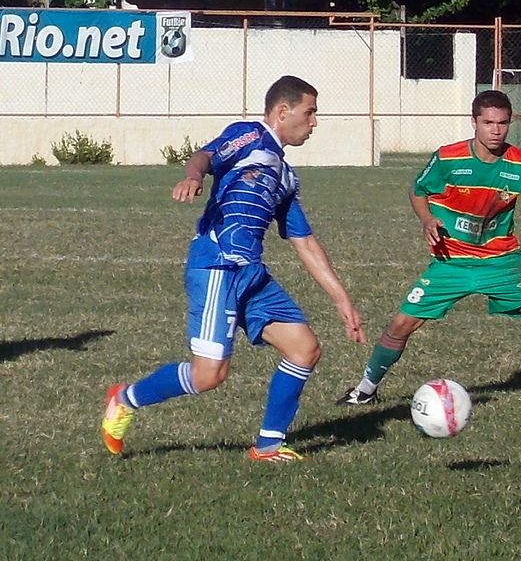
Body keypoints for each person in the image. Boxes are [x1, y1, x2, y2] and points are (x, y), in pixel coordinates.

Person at [102, 75, 366, 462]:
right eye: (309, 113)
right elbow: (205, 156)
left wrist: (343, 301)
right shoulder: (250, 136)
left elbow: (304, 242)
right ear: (282, 111)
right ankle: (124, 400)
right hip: (217, 267)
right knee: (209, 375)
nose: (314, 122)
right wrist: (193, 177)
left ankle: (268, 447)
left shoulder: (285, 176)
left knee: (304, 349)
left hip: (250, 274)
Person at [337, 89, 521, 416]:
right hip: (451, 261)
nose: (496, 130)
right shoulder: (448, 158)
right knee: (401, 323)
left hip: (502, 260)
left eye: (503, 123)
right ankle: (365, 390)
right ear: (474, 122)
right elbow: (418, 191)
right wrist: (427, 219)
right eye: (488, 123)